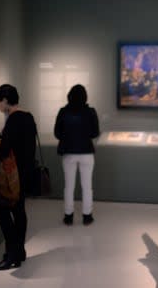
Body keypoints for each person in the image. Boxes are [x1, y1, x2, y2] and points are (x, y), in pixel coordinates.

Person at [0, 84, 37, 270]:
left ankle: (12, 254)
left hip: (12, 177)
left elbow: (4, 150)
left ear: (5, 100)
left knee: (1, 211)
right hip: (25, 174)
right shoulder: (28, 117)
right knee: (19, 212)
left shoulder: (13, 120)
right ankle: (19, 252)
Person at [54, 84, 99, 226]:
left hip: (68, 153)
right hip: (86, 152)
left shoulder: (63, 111)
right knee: (87, 186)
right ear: (85, 97)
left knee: (69, 186)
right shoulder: (90, 112)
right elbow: (95, 133)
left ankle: (68, 216)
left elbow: (57, 133)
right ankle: (87, 216)